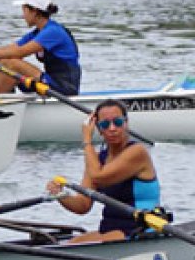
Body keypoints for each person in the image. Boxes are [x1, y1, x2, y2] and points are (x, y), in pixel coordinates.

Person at [46, 99, 160, 243]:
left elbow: (99, 177)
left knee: (82, 246)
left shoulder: (137, 152)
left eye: (118, 122)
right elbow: (83, 205)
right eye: (105, 125)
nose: (112, 128)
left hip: (142, 228)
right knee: (71, 244)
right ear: (99, 129)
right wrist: (61, 195)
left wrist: (87, 140)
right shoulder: (97, 160)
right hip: (110, 228)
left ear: (126, 123)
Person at [0, 0, 81, 96]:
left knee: (13, 63)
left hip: (64, 87)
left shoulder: (53, 32)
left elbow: (19, 53)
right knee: (4, 60)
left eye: (24, 10)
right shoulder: (37, 33)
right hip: (50, 80)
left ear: (34, 11)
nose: (22, 15)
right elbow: (9, 49)